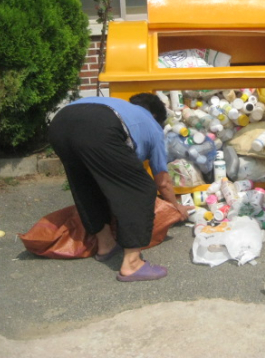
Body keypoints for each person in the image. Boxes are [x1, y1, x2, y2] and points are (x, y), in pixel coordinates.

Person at [48, 93, 192, 282]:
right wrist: (176, 208)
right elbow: (162, 181)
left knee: (87, 183)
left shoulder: (122, 108)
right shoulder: (153, 126)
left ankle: (105, 244)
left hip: (59, 124)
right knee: (141, 188)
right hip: (99, 126)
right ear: (156, 116)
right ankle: (132, 264)